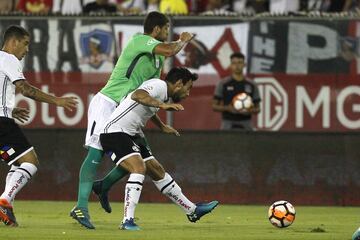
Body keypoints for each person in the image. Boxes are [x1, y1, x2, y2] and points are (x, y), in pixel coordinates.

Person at [70, 11, 194, 229]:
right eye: (166, 29)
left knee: (141, 154)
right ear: (156, 29)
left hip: (124, 109)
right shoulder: (140, 40)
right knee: (96, 151)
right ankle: (80, 206)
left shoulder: (158, 59)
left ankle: (103, 186)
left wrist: (161, 124)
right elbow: (170, 48)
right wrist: (182, 40)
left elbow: (146, 95)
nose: (168, 33)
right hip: (108, 101)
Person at [100, 67, 218, 230]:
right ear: (178, 83)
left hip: (130, 134)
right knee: (138, 168)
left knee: (157, 170)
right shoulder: (159, 85)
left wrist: (162, 126)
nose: (188, 93)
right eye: (188, 88)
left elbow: (148, 108)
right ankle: (127, 220)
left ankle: (192, 210)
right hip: (114, 132)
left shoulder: (162, 92)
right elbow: (138, 96)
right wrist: (163, 105)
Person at [0, 25, 78, 226]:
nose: (27, 50)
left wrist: (10, 110)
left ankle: (7, 207)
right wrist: (56, 101)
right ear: (13, 41)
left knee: (18, 162)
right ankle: (5, 200)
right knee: (30, 162)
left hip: (3, 116)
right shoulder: (9, 59)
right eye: (25, 44)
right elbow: (25, 90)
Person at [212, 52, 261, 130]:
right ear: (231, 65)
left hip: (246, 122)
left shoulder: (252, 85)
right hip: (227, 122)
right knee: (224, 142)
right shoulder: (223, 84)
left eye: (240, 63)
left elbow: (258, 109)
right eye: (234, 63)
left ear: (244, 65)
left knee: (251, 142)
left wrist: (249, 110)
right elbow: (214, 106)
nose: (237, 66)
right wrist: (227, 108)